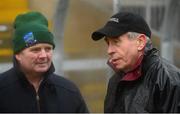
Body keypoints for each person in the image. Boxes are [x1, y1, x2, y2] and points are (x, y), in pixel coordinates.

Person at [91, 12, 180, 113]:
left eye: (116, 41)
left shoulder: (168, 80)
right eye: (108, 43)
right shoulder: (115, 81)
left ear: (140, 42)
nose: (109, 50)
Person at [0, 11, 88, 113]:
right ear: (18, 54)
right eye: (35, 50)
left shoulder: (68, 91)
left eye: (48, 49)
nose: (43, 55)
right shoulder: (3, 90)